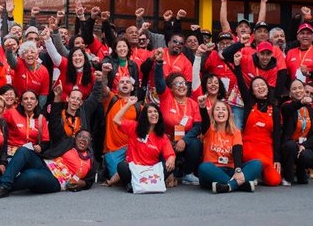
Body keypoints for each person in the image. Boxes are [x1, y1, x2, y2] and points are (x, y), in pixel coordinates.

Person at [0, 117, 97, 198]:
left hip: (56, 180)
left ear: (90, 141)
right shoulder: (67, 143)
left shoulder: (92, 161)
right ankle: (4, 185)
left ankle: (1, 186)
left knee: (31, 175)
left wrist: (82, 183)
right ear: (75, 138)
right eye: (80, 136)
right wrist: (57, 98)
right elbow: (55, 125)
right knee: (23, 151)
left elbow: (89, 180)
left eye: (86, 138)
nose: (83, 139)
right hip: (45, 164)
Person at [152, 51, 202, 185]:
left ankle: (187, 174)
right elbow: (159, 81)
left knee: (196, 144)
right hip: (165, 139)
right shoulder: (166, 97)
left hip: (183, 141)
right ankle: (170, 173)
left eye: (184, 83)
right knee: (163, 171)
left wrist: (184, 140)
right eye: (177, 84)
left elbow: (198, 126)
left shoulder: (192, 103)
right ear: (171, 89)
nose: (182, 86)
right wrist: (158, 64)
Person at [232, 52, 282, 186]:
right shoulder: (249, 103)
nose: (260, 87)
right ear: (252, 91)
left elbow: (277, 135)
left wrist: (277, 158)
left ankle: (252, 175)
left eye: (262, 85)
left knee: (274, 181)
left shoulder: (275, 110)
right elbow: (241, 84)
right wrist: (237, 66)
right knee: (261, 162)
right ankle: (248, 174)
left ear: (267, 88)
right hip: (249, 146)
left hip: (267, 147)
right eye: (256, 86)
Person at [197, 97, 261, 193]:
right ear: (213, 114)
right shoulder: (209, 129)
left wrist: (238, 171)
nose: (220, 112)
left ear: (228, 114)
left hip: (232, 170)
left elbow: (237, 150)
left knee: (257, 164)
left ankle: (228, 186)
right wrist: (202, 107)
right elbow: (205, 120)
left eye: (224, 109)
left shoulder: (235, 131)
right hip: (213, 170)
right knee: (204, 167)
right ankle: (240, 185)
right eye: (217, 109)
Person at [112, 99, 175, 192]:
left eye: (155, 111)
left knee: (169, 166)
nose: (153, 114)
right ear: (144, 115)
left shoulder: (162, 136)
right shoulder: (134, 127)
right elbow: (116, 119)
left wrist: (171, 159)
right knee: (122, 166)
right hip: (135, 169)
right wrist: (129, 104)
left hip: (152, 171)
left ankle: (144, 185)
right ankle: (132, 185)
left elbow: (170, 154)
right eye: (149, 112)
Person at [280, 79, 313, 185]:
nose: (298, 90)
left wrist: (304, 145)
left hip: (303, 144)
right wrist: (301, 102)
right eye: (294, 88)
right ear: (290, 93)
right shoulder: (286, 106)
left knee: (307, 156)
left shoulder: (311, 110)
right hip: (288, 145)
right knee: (291, 146)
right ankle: (287, 176)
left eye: (300, 88)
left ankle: (300, 171)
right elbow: (289, 109)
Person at [4, 89, 50, 157]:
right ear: (21, 102)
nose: (29, 101)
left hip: (30, 154)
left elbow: (46, 140)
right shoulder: (11, 113)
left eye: (32, 99)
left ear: (36, 102)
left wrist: (40, 147)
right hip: (12, 153)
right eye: (25, 99)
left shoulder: (41, 119)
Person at [5, 40, 50, 107]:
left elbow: (43, 94)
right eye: (26, 52)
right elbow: (11, 62)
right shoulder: (19, 63)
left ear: (37, 55)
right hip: (17, 104)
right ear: (22, 56)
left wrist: (37, 110)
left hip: (33, 105)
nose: (29, 54)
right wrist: (9, 51)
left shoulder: (44, 71)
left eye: (32, 52)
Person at [285, 23, 313, 88]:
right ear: (298, 37)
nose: (305, 36)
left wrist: (308, 73)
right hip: (296, 91)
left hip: (312, 91)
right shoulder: (290, 52)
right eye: (302, 33)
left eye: (308, 33)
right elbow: (287, 74)